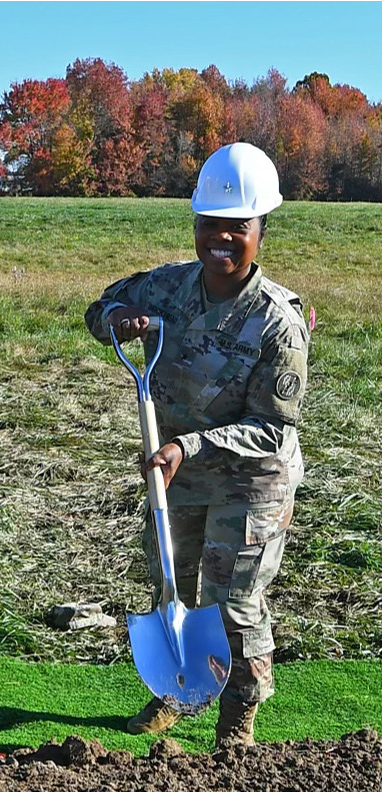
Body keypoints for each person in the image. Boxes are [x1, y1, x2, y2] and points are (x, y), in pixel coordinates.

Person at [85, 142, 309, 749]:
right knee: (175, 588)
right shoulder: (167, 288)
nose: (222, 238)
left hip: (249, 478)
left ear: (261, 229)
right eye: (210, 225)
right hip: (177, 470)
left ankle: (238, 717)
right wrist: (116, 318)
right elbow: (99, 305)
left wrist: (190, 445)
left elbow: (275, 428)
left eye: (237, 227)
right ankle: (177, 693)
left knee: (233, 601)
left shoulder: (278, 324)